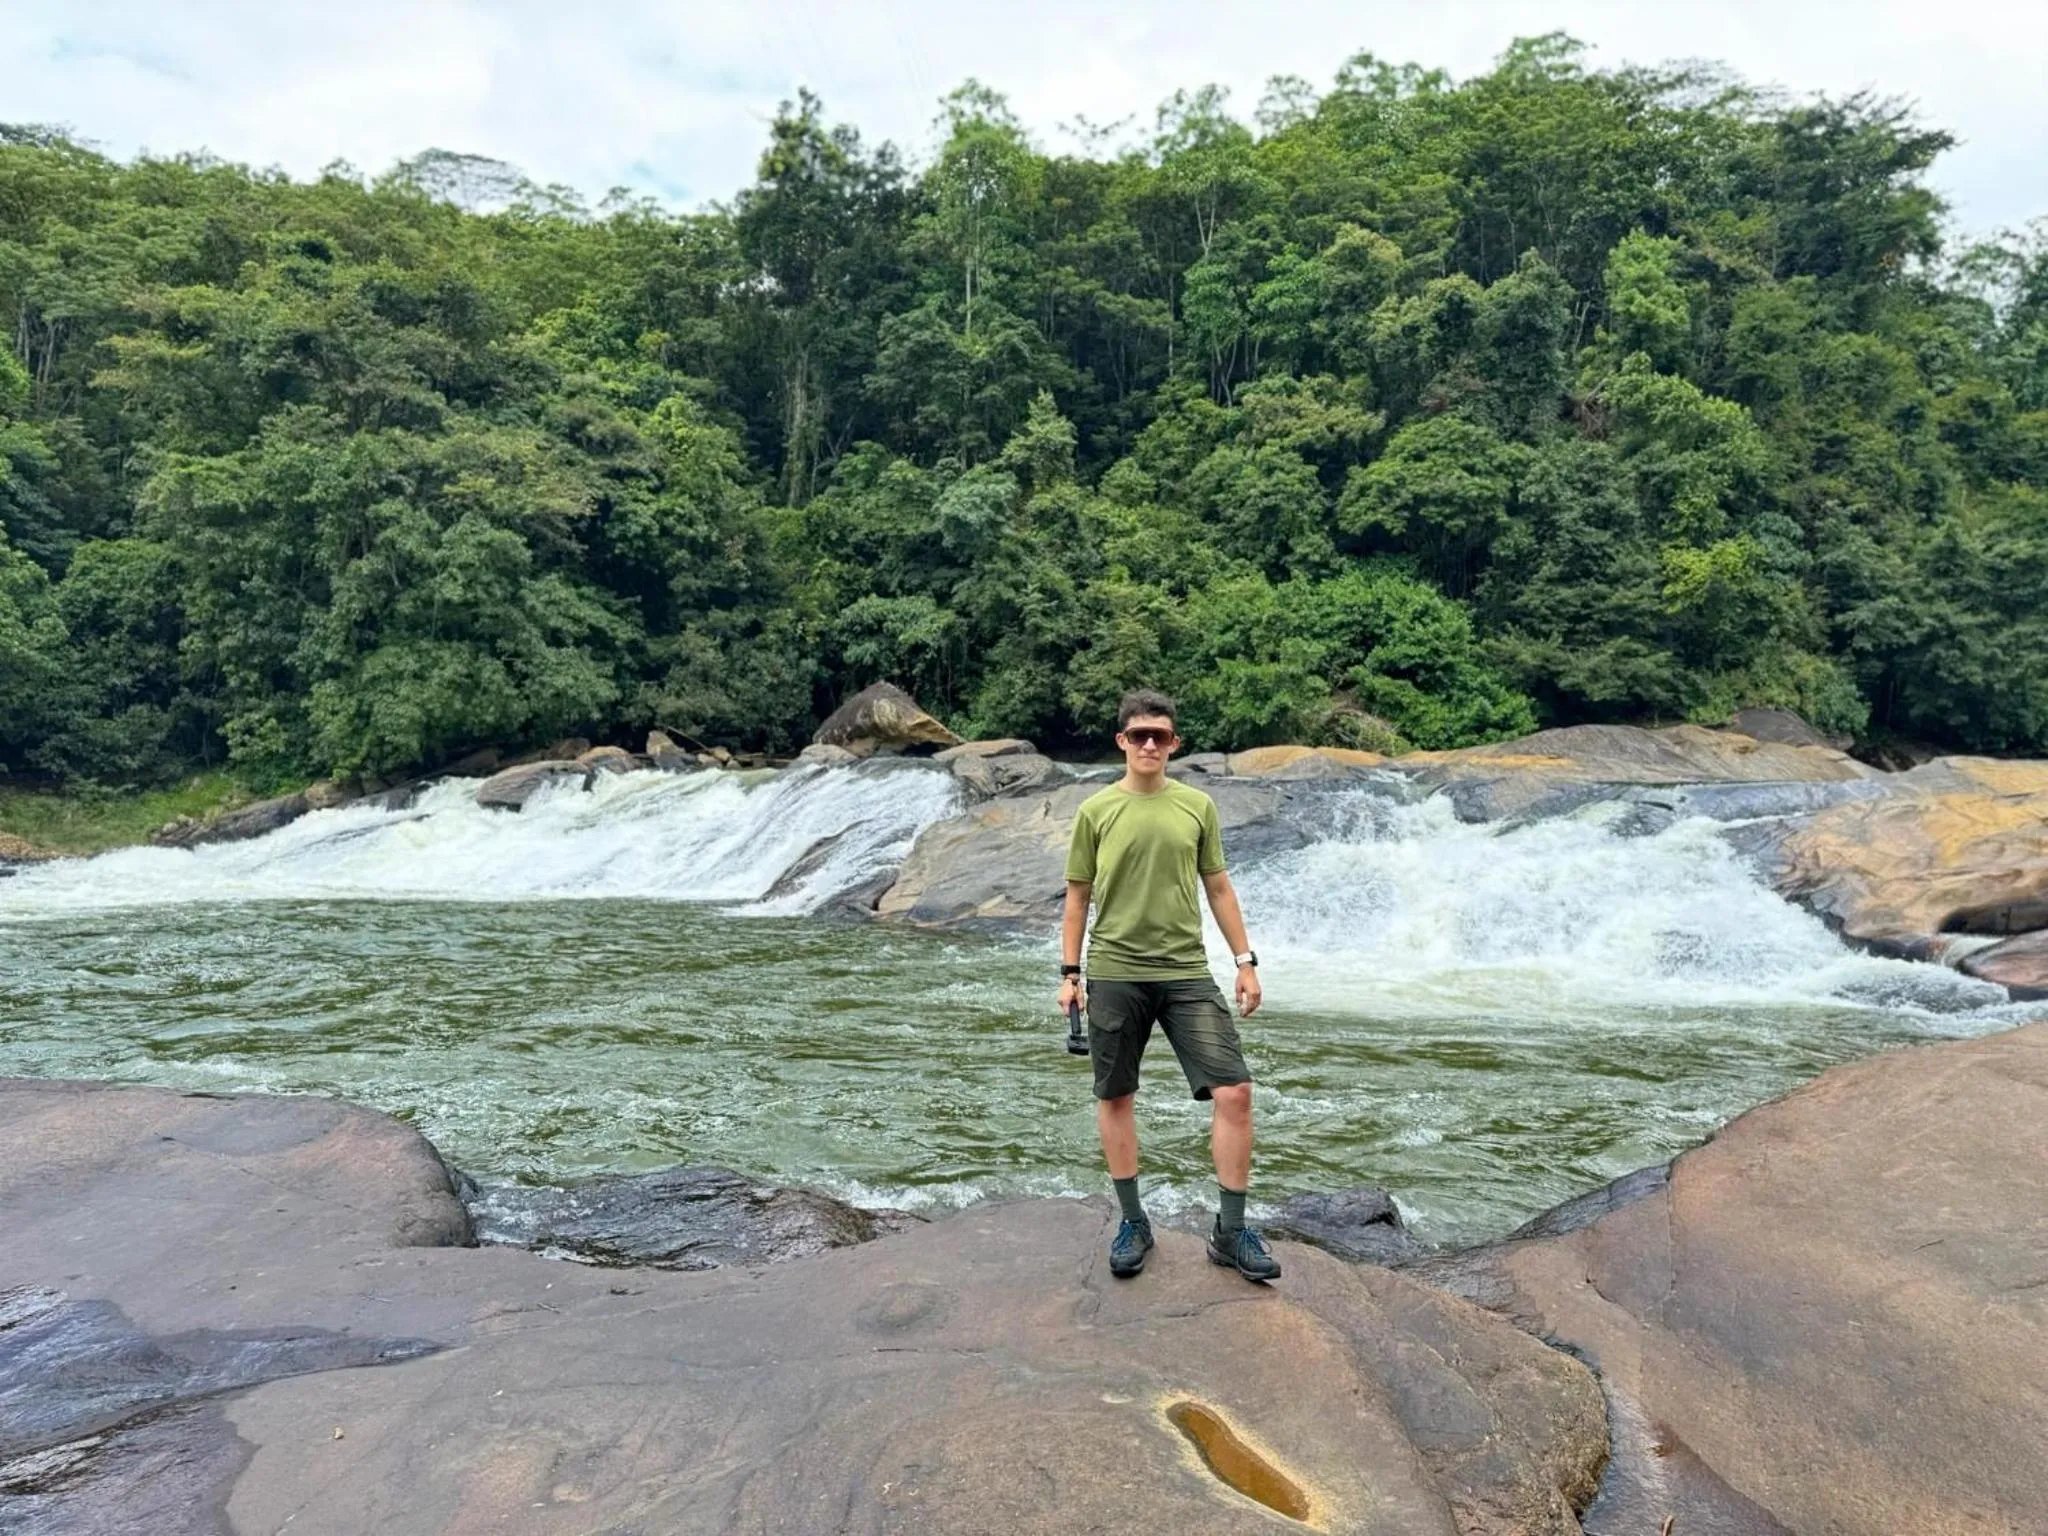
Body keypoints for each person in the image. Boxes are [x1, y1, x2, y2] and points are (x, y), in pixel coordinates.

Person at [1058, 688, 1278, 1282]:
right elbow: (1078, 897)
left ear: (1175, 743)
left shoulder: (1197, 807)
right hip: (1115, 971)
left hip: (1184, 971)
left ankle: (1230, 1232)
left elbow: (1219, 887)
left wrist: (1246, 960)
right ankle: (1134, 1221)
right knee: (1116, 1095)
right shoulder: (1096, 811)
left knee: (1234, 1091)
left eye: (1160, 735)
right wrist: (1070, 974)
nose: (1149, 744)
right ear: (1122, 742)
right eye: (1139, 735)